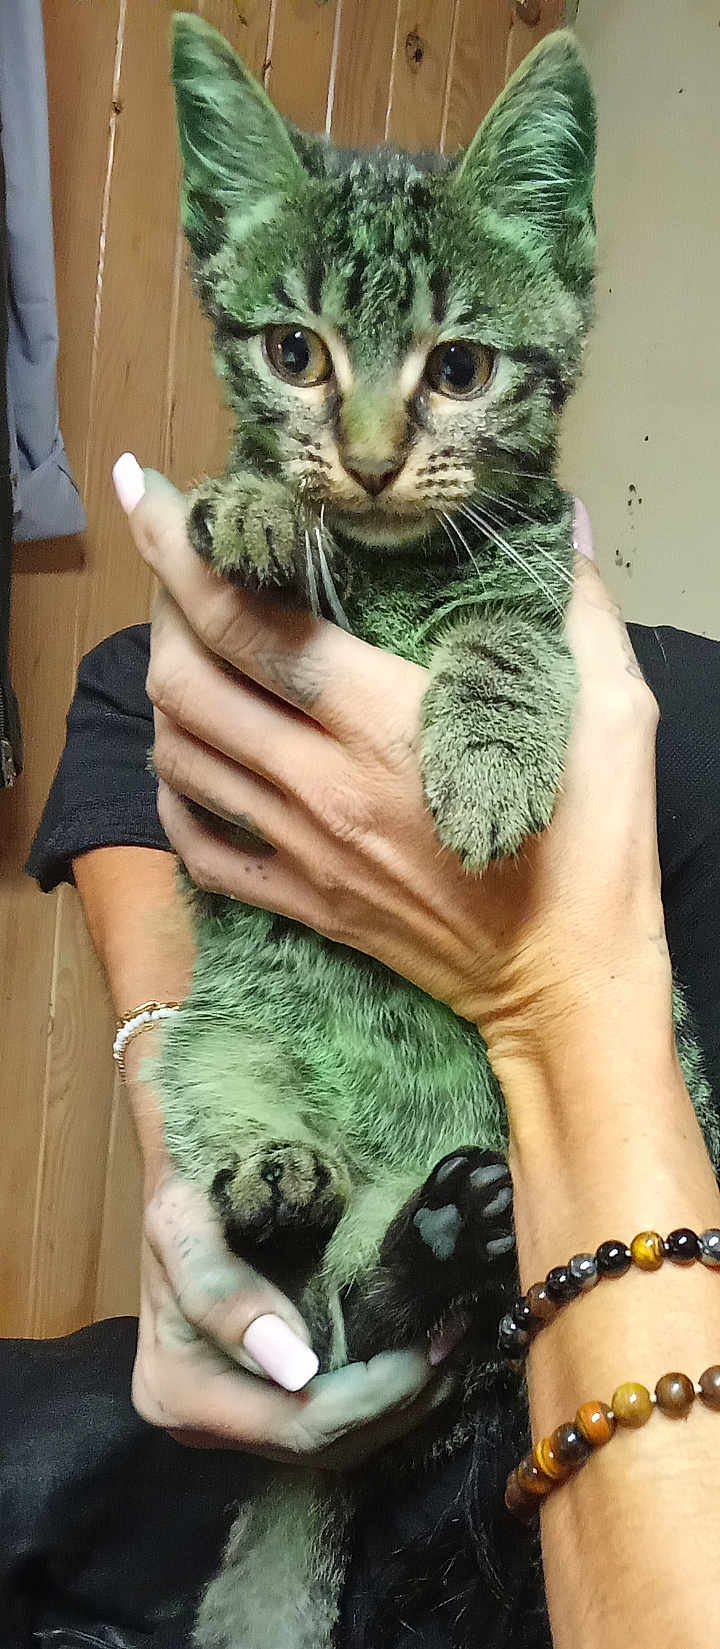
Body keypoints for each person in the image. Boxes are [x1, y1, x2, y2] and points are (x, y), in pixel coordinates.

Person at [12, 458, 720, 1647]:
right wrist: (190, 1120)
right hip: (322, 1349)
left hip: (592, 1419)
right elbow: (130, 699)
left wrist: (558, 985)